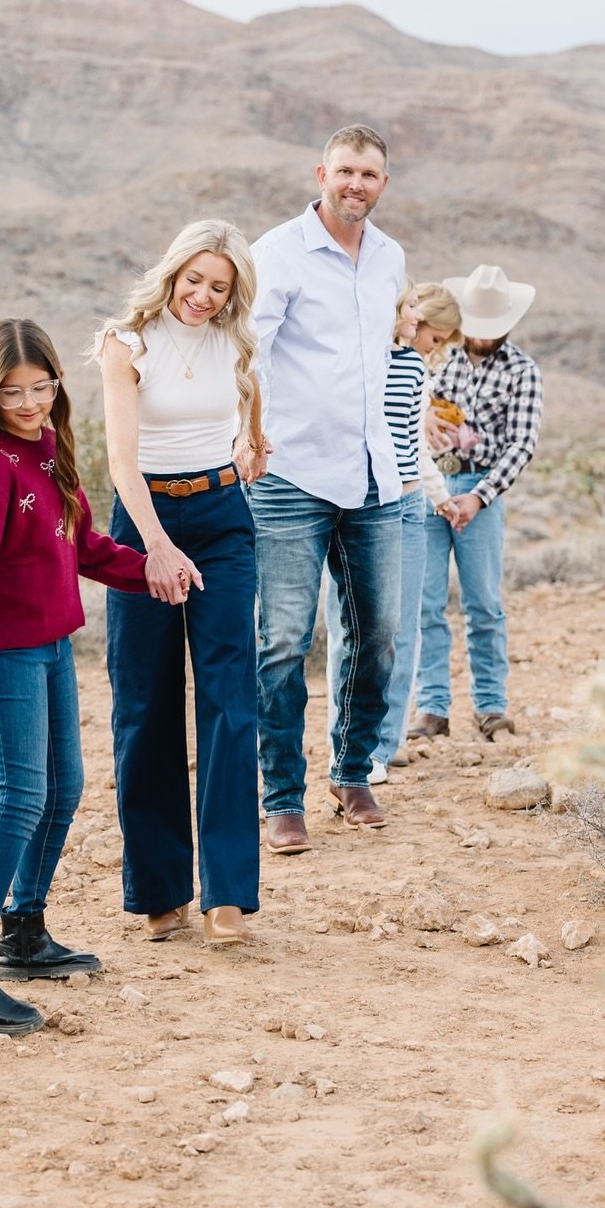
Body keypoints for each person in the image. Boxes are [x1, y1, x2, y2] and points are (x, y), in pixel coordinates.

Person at [0, 317, 169, 1034]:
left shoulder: (50, 448)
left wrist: (156, 570)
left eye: (41, 387)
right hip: (7, 655)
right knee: (21, 799)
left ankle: (24, 933)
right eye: (13, 393)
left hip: (55, 647)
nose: (30, 403)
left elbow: (85, 547)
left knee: (64, 789)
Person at [95, 220, 265, 947]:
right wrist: (157, 548)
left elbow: (250, 390)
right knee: (145, 702)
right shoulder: (126, 344)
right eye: (194, 279)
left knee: (231, 699)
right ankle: (160, 889)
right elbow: (121, 462)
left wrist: (253, 434)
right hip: (145, 522)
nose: (203, 296)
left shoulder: (235, 342)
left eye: (219, 286)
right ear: (172, 273)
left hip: (223, 519)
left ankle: (228, 894)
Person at [245, 125, 407, 853]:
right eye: (345, 171)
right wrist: (252, 434)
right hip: (290, 472)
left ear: (383, 183)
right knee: (283, 640)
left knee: (378, 634)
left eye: (369, 174)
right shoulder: (277, 253)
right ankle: (282, 796)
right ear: (321, 174)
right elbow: (250, 354)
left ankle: (352, 771)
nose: (356, 185)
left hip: (375, 474)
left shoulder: (390, 258)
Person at [323, 279, 463, 782]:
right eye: (435, 336)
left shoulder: (414, 368)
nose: (435, 347)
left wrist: (438, 495)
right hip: (360, 503)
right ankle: (345, 744)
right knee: (349, 628)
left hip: (407, 505)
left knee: (401, 628)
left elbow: (412, 442)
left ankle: (383, 746)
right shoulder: (362, 360)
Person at [410, 264, 543, 743]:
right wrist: (426, 417)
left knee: (483, 603)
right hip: (429, 486)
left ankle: (490, 705)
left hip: (481, 490)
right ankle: (432, 707)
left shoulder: (523, 371)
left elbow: (521, 445)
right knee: (425, 604)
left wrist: (480, 496)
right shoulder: (438, 359)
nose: (484, 337)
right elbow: (410, 406)